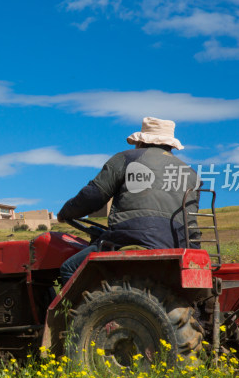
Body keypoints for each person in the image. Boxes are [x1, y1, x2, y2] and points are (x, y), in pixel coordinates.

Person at [57, 117, 200, 285]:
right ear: (171, 145)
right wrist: (195, 255)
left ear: (140, 142)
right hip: (175, 246)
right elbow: (191, 224)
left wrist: (65, 212)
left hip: (128, 239)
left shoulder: (127, 158)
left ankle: (79, 311)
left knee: (69, 268)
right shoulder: (190, 174)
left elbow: (93, 196)